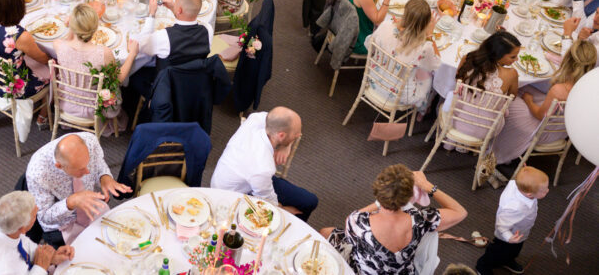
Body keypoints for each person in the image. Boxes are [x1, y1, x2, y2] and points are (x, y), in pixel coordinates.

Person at [322, 165, 467, 274]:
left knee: (326, 231)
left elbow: (351, 226)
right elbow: (460, 212)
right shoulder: (421, 220)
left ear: (377, 191)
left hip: (366, 271)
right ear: (408, 199)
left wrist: (380, 201)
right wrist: (426, 185)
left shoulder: (356, 221)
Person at [493, 39, 596, 164]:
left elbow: (540, 115)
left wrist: (528, 101)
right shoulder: (591, 88)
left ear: (568, 60)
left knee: (508, 100)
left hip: (544, 130)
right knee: (525, 88)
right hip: (565, 129)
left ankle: (497, 149)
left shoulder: (559, 90)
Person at [211, 107, 318, 221]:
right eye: (296, 133)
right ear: (281, 135)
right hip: (231, 199)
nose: (299, 134)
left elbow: (273, 117)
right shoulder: (263, 167)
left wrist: (285, 146)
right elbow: (268, 201)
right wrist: (284, 212)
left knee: (310, 201)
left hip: (245, 180)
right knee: (307, 204)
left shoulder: (255, 119)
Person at [25, 132, 131, 246]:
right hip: (63, 225)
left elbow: (99, 163)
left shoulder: (90, 141)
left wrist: (104, 176)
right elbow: (45, 217)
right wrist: (70, 202)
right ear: (60, 166)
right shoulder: (38, 174)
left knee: (118, 239)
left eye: (87, 164)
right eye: (80, 169)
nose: (87, 172)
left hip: (91, 207)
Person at [53, 3, 139, 135]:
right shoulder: (104, 53)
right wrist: (132, 54)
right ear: (95, 28)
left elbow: (67, 40)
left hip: (65, 102)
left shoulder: (58, 45)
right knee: (113, 86)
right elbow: (119, 79)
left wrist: (71, 27)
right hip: (91, 108)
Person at [0, 190, 74, 275]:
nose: (38, 208)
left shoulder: (1, 212)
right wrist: (40, 267)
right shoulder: (2, 268)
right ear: (23, 228)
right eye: (34, 215)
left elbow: (21, 242)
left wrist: (50, 257)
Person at [370, 0, 441, 112]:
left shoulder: (386, 26)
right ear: (425, 23)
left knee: (415, 67)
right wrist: (430, 36)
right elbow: (436, 64)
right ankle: (423, 110)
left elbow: (369, 45)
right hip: (399, 95)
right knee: (427, 76)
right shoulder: (424, 48)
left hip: (373, 78)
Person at [475, 167, 550, 275]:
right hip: (507, 237)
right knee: (497, 253)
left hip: (520, 231)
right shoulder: (514, 208)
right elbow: (501, 225)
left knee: (514, 251)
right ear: (529, 194)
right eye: (544, 190)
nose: (547, 190)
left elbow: (524, 177)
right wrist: (509, 238)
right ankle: (482, 266)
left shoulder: (520, 186)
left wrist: (527, 172)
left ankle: (507, 261)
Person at [0, 0, 50, 102]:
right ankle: (43, 114)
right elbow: (43, 59)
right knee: (55, 71)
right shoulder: (20, 36)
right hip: (13, 86)